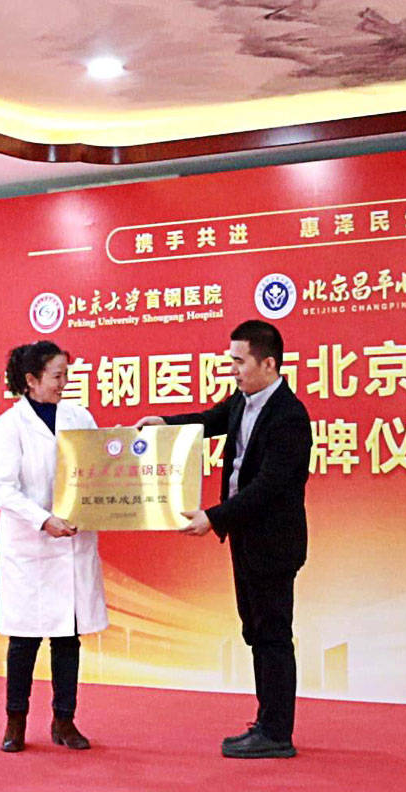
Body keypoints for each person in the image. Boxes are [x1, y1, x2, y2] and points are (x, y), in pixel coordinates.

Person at [135, 319, 311, 759]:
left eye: (239, 362)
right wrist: (165, 423)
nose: (232, 369)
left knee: (272, 634)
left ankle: (277, 732)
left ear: (268, 364)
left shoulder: (289, 416)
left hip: (273, 543)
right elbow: (210, 420)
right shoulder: (243, 400)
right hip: (246, 537)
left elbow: (268, 487)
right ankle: (267, 721)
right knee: (255, 631)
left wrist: (213, 518)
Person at [0, 340, 108, 752]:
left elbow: (99, 469)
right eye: (57, 376)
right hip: (31, 549)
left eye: (66, 375)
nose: (64, 383)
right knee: (24, 641)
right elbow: (3, 490)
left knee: (67, 639)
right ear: (31, 380)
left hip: (72, 544)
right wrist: (43, 520)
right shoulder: (8, 427)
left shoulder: (79, 417)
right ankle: (15, 722)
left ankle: (64, 720)